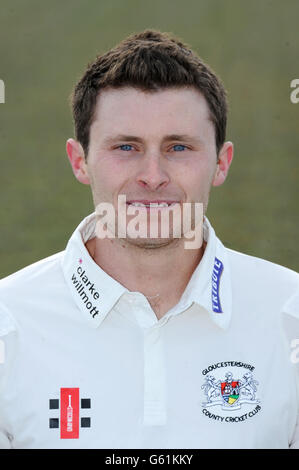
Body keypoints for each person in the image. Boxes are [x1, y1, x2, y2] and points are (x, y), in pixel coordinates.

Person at [0, 29, 298, 449]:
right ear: (79, 161)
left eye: (178, 148)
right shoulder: (7, 325)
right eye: (125, 147)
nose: (153, 176)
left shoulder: (291, 316)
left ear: (221, 163)